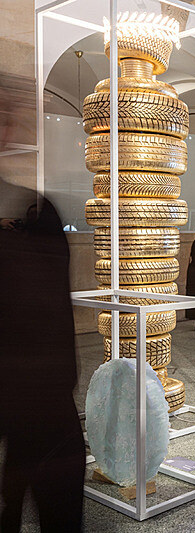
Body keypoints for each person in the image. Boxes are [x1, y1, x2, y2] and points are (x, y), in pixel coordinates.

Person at [0, 179, 85, 531]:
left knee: (23, 484)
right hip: (45, 399)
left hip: (31, 399)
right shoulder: (46, 254)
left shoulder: (29, 253)